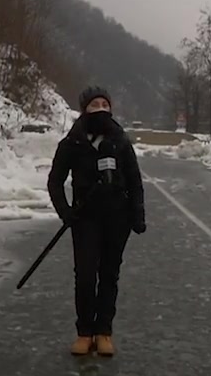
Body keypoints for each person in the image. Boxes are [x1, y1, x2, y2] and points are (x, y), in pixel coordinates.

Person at [47, 86, 146, 357]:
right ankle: (84, 332)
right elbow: (55, 181)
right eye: (94, 104)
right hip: (85, 219)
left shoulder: (121, 141)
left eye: (105, 103)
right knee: (86, 276)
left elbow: (135, 181)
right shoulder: (73, 142)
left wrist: (137, 214)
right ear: (84, 109)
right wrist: (65, 211)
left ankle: (104, 332)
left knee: (109, 275)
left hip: (118, 218)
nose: (101, 108)